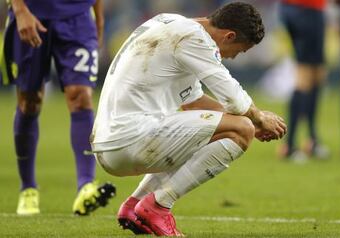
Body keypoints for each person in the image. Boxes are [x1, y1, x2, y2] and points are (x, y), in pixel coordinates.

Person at [91, 2, 287, 236]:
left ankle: (135, 205)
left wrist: (252, 124)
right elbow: (233, 98)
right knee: (241, 128)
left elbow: (194, 102)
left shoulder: (173, 25)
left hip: (111, 142)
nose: (233, 58)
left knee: (234, 128)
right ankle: (159, 205)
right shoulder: (195, 39)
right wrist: (257, 118)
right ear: (229, 36)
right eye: (239, 50)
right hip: (130, 139)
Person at [1, 0, 115, 215]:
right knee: (29, 102)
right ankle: (28, 188)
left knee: (81, 96)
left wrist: (98, 15)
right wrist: (20, 9)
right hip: (32, 12)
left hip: (78, 16)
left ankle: (85, 186)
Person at [278, 0, 329, 161]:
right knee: (306, 75)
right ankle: (290, 145)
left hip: (289, 9)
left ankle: (312, 139)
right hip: (308, 10)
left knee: (316, 75)